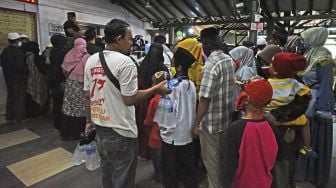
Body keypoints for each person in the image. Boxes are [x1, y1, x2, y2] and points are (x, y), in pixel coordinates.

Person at [83, 19, 170, 188]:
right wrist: (156, 89)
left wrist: (88, 121)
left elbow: (87, 96)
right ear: (118, 39)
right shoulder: (126, 62)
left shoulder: (92, 60)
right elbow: (129, 99)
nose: (132, 42)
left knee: (107, 175)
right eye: (129, 38)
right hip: (121, 131)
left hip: (100, 128)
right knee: (123, 179)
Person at [193, 28, 235, 188]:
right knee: (222, 159)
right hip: (225, 119)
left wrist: (196, 124)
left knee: (212, 164)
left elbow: (204, 99)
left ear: (206, 44)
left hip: (210, 125)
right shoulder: (227, 60)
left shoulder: (211, 65)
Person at [222, 79, 279, 188]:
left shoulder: (236, 128)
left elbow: (229, 165)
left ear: (247, 99)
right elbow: (280, 155)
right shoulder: (271, 127)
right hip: (266, 183)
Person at [155, 46, 199, 188]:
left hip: (172, 134)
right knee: (188, 167)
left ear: (178, 66)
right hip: (187, 132)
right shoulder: (191, 84)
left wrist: (163, 130)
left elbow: (166, 112)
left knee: (170, 169)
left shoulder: (171, 86)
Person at [298, 27, 335, 188]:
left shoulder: (323, 57)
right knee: (307, 139)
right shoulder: (310, 54)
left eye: (306, 37)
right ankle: (305, 173)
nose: (303, 41)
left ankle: (316, 175)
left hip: (316, 104)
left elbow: (326, 86)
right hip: (306, 101)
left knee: (316, 139)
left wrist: (322, 109)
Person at [137, 43, 169, 160]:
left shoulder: (142, 66)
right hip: (159, 102)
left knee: (144, 127)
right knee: (158, 127)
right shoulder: (163, 69)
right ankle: (157, 152)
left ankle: (144, 152)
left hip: (143, 100)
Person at [60, 38, 90, 140]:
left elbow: (64, 71)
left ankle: (68, 133)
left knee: (70, 108)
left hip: (70, 86)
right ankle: (80, 132)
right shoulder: (88, 58)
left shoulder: (68, 55)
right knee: (81, 108)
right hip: (82, 86)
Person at [143, 71, 168, 185]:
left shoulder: (154, 101)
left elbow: (149, 120)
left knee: (157, 162)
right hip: (168, 136)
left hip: (155, 137)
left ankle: (160, 179)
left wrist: (148, 132)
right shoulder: (173, 97)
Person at [0, 32, 27, 123]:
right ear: (17, 41)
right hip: (18, 79)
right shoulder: (18, 52)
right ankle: (19, 118)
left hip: (8, 78)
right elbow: (20, 67)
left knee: (11, 97)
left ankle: (9, 116)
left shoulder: (5, 51)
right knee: (19, 98)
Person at [46, 34, 68, 130]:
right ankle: (63, 124)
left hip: (52, 80)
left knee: (56, 103)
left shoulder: (48, 53)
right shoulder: (65, 53)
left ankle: (57, 124)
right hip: (62, 80)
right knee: (64, 103)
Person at [23, 41, 48, 118]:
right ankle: (38, 112)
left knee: (30, 96)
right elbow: (43, 69)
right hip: (38, 80)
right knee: (39, 95)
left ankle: (30, 113)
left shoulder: (24, 56)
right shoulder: (36, 57)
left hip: (28, 80)